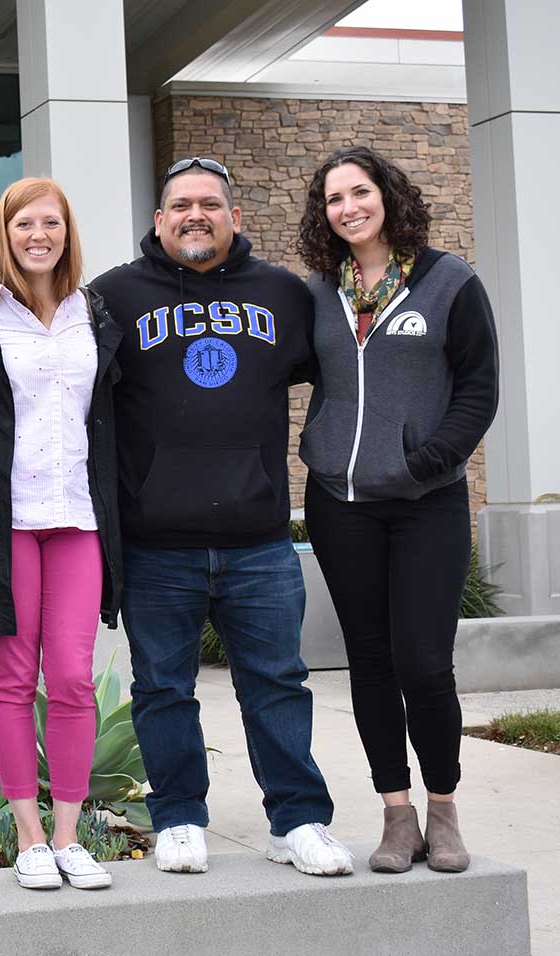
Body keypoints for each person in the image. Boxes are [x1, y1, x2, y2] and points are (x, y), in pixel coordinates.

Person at [89, 156, 354, 877]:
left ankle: (297, 821)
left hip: (259, 541)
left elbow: (347, 373)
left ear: (235, 216)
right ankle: (178, 818)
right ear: (159, 220)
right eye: (181, 205)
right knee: (163, 689)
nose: (194, 214)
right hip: (156, 545)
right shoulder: (112, 296)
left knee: (277, 684)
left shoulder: (285, 295)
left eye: (210, 203)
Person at [294, 146, 498, 874]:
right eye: (333, 199)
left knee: (423, 660)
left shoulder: (449, 282)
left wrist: (426, 463)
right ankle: (395, 813)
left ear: (388, 194)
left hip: (425, 506)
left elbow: (478, 387)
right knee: (371, 662)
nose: (347, 207)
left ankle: (443, 812)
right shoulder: (319, 292)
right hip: (339, 505)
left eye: (359, 192)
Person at [0, 177, 121, 891]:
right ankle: (29, 838)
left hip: (79, 517)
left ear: (66, 232)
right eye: (23, 224)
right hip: (5, 520)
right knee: (15, 680)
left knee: (74, 679)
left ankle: (72, 836)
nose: (37, 235)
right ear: (4, 234)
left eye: (50, 223)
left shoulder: (97, 315)